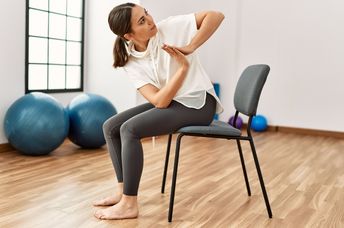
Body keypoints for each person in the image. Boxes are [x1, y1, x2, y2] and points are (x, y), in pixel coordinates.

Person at [93, 2, 225, 220]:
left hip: (199, 103)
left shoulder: (170, 27)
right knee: (111, 127)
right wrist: (182, 69)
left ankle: (129, 203)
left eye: (146, 14)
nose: (150, 20)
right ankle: (122, 190)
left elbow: (216, 15)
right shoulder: (130, 61)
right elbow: (159, 101)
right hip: (173, 102)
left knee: (129, 130)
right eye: (142, 21)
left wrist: (191, 46)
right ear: (128, 35)